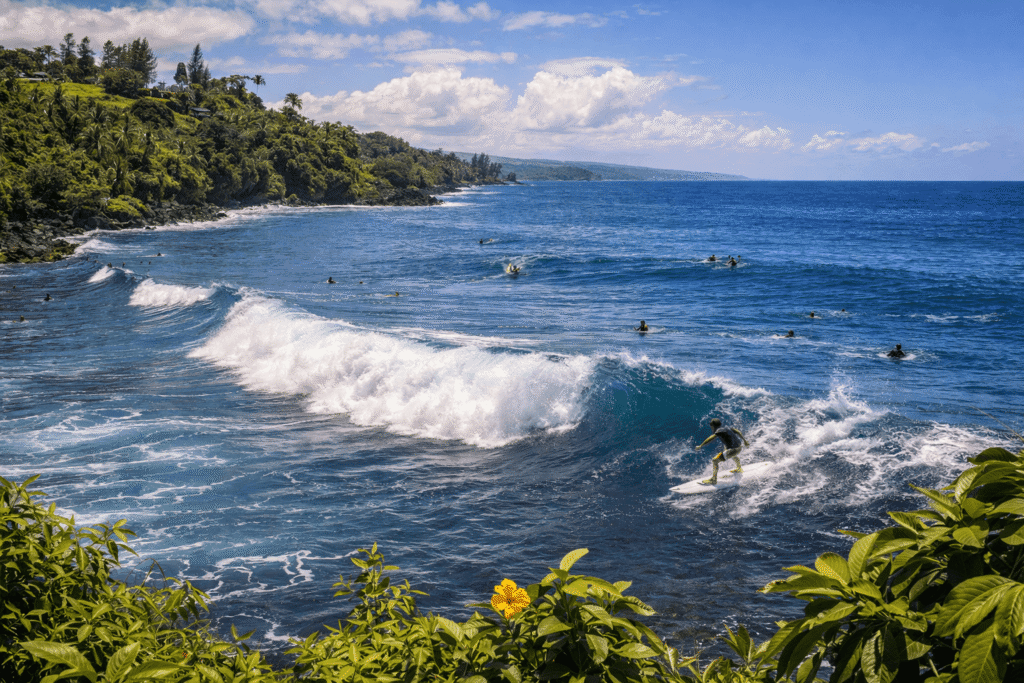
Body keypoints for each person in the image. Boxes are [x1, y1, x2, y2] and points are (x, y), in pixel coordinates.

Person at [696, 417, 750, 485]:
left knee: (715, 460)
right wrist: (745, 441)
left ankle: (713, 480)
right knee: (727, 450)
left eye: (711, 426)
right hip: (739, 447)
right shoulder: (728, 427)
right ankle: (739, 468)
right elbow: (738, 432)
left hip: (733, 450)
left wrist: (701, 445)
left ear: (712, 426)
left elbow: (710, 438)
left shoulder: (719, 430)